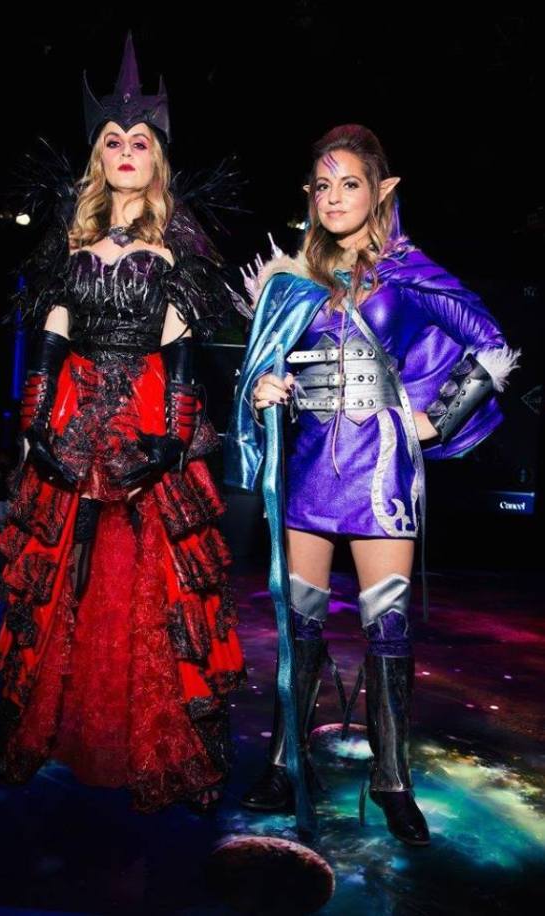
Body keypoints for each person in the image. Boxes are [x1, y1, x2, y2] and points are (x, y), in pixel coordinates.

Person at [0, 33, 245, 814]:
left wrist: (171, 440)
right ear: (99, 155)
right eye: (114, 140)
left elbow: (182, 347)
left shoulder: (179, 237)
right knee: (53, 574)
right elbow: (50, 338)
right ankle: (17, 737)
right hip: (76, 408)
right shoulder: (70, 233)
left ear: (158, 159)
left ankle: (183, 748)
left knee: (163, 580)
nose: (127, 151)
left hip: (148, 410)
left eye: (141, 141)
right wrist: (35, 433)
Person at [225, 124, 519, 844]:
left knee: (387, 625)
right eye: (322, 185)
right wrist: (265, 388)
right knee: (298, 624)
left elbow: (492, 345)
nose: (333, 197)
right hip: (307, 467)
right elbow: (268, 362)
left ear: (381, 191)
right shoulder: (291, 279)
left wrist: (434, 421)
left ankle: (393, 779)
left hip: (381, 469)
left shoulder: (409, 269)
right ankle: (285, 763)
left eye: (349, 183)